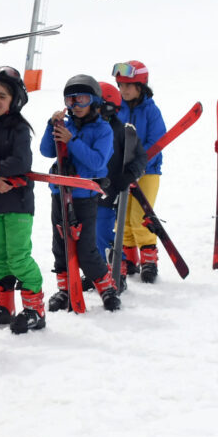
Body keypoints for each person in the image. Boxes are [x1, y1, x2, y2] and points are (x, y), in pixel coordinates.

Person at [40, 74, 120, 312]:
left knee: (85, 248)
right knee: (60, 244)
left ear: (94, 101)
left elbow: (96, 162)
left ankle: (107, 288)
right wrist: (51, 126)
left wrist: (72, 140)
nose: (75, 106)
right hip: (59, 192)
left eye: (81, 100)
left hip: (84, 196)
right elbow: (46, 151)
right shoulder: (66, 125)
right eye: (70, 100)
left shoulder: (103, 130)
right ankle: (65, 289)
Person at [0, 66, 46, 333]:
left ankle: (35, 309)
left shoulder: (19, 128)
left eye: (2, 96)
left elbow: (21, 162)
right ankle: (4, 307)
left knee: (18, 257)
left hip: (18, 203)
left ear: (15, 99)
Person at [112, 60, 167, 283]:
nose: (123, 90)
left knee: (139, 217)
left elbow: (157, 140)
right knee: (121, 219)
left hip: (148, 172)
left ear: (141, 86)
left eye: (128, 85)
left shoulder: (151, 111)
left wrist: (139, 164)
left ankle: (149, 260)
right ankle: (128, 259)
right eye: (120, 85)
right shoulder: (116, 108)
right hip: (122, 173)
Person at [93, 82, 146, 290]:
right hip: (86, 192)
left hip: (109, 190)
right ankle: (97, 273)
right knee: (89, 236)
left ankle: (118, 270)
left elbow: (140, 157)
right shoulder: (87, 127)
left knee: (103, 233)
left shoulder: (121, 130)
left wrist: (130, 174)